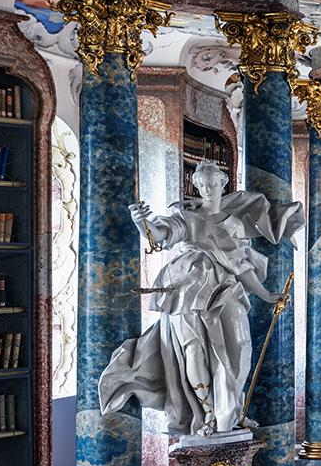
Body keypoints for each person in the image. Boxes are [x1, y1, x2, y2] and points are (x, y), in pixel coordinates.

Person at [99, 159, 303, 438]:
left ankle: (231, 408)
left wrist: (265, 294)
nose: (207, 189)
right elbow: (161, 235)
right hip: (186, 290)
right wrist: (142, 222)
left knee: (240, 346)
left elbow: (240, 264)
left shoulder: (234, 223)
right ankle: (207, 413)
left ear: (223, 183)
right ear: (196, 185)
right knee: (193, 352)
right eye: (202, 184)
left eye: (212, 183)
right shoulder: (185, 217)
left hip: (225, 289)